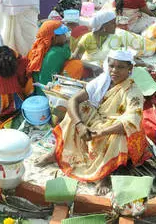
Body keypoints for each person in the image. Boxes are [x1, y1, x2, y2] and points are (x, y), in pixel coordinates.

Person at [36, 50, 149, 194]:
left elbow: (132, 121)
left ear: (130, 69)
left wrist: (100, 132)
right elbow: (73, 100)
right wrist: (80, 125)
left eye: (120, 67)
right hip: (98, 119)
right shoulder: (103, 80)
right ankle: (55, 152)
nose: (114, 71)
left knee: (118, 136)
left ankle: (104, 175)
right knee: (76, 111)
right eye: (112, 66)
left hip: (114, 126)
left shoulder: (133, 91)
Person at [27, 20, 83, 87]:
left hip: (36, 88)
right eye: (63, 34)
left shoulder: (36, 49)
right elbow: (73, 56)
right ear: (54, 38)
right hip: (48, 91)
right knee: (77, 64)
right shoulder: (58, 52)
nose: (65, 36)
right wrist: (71, 44)